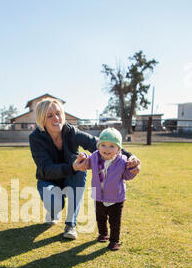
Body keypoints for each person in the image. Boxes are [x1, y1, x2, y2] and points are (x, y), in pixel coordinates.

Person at [29, 98, 140, 240]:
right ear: (42, 119)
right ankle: (53, 211)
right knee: (56, 204)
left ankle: (71, 225)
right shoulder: (36, 138)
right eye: (50, 116)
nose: (56, 118)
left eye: (58, 113)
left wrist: (131, 157)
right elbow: (45, 169)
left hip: (72, 176)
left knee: (80, 173)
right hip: (48, 180)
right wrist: (72, 166)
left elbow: (100, 144)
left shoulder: (71, 132)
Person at [84, 127, 136, 250]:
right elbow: (87, 162)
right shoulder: (95, 157)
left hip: (116, 198)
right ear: (98, 146)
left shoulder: (122, 161)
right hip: (99, 196)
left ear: (118, 149)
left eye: (112, 146)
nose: (107, 149)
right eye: (103, 145)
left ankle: (114, 241)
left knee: (115, 222)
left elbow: (127, 176)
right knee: (100, 218)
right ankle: (103, 234)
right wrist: (83, 156)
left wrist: (133, 170)